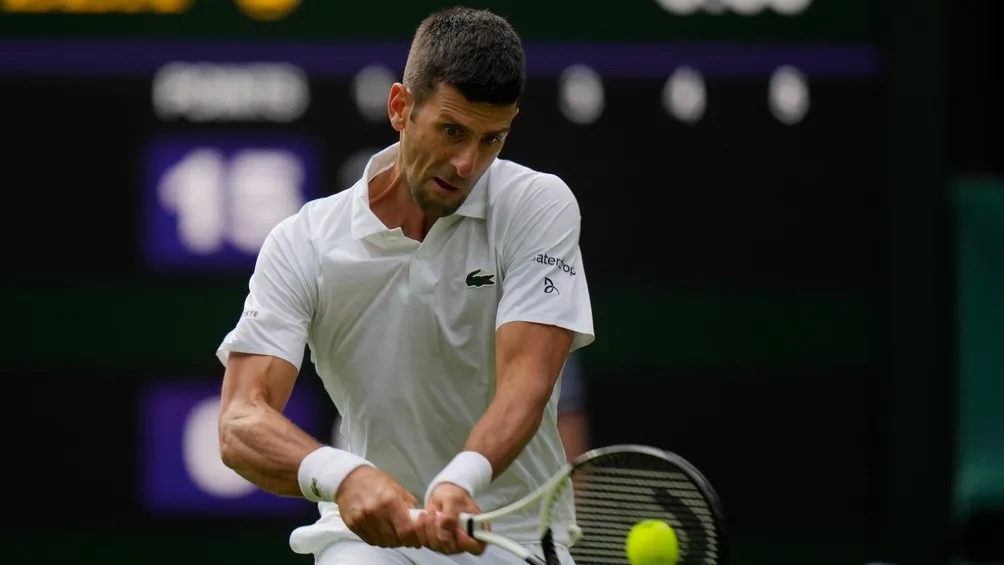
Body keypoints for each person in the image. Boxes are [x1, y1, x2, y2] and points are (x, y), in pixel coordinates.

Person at [214, 6, 594, 565]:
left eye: (492, 139)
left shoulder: (538, 205)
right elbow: (240, 420)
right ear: (400, 107)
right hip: (369, 544)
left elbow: (527, 382)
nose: (466, 163)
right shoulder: (304, 242)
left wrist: (460, 480)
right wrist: (342, 476)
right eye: (451, 131)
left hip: (511, 536)